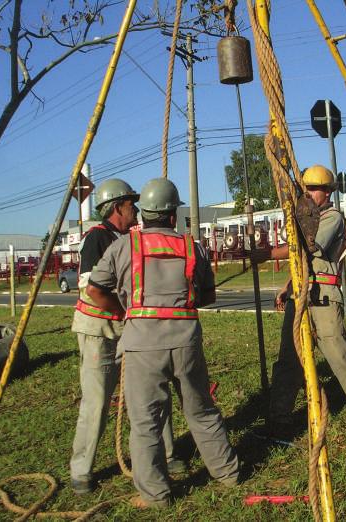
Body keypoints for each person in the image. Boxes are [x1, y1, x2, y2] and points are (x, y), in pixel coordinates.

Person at [86, 177, 239, 508]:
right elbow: (208, 296)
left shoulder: (124, 246)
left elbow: (95, 290)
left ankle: (156, 496)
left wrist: (125, 311)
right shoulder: (192, 247)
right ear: (173, 215)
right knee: (201, 410)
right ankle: (227, 473)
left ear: (144, 214)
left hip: (142, 345)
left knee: (146, 422)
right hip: (185, 341)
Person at [69, 178, 184, 495]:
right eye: (130, 204)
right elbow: (93, 291)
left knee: (152, 391)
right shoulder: (97, 239)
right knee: (97, 400)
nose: (136, 209)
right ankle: (81, 471)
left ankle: (167, 454)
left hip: (129, 329)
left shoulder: (129, 238)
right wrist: (124, 312)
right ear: (117, 207)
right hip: (100, 331)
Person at [256, 165, 346, 432]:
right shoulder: (305, 218)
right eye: (307, 189)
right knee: (290, 356)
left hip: (323, 295)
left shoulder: (332, 217)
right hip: (300, 294)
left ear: (329, 191)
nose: (310, 194)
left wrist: (266, 254)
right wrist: (287, 286)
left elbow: (307, 247)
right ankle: (279, 414)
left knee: (337, 350)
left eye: (316, 189)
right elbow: (303, 261)